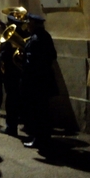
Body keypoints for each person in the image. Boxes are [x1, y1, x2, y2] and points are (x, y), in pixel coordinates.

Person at [21, 13, 58, 148]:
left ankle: (39, 139)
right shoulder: (46, 36)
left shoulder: (35, 39)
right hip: (45, 80)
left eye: (29, 22)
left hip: (36, 82)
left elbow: (30, 64)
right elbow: (53, 55)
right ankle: (43, 137)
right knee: (43, 110)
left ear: (34, 23)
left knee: (37, 111)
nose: (27, 25)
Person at [0, 14, 29, 136]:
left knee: (11, 100)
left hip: (11, 73)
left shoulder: (9, 37)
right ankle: (25, 123)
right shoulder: (26, 35)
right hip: (21, 73)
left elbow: (4, 55)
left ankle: (11, 127)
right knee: (22, 99)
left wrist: (0, 57)